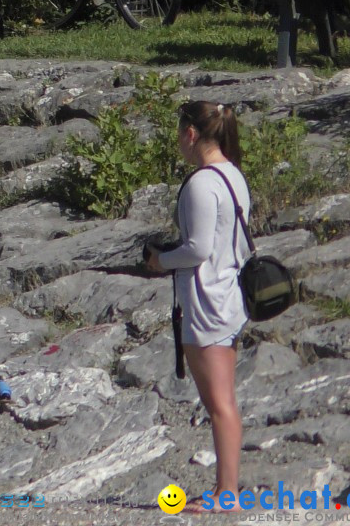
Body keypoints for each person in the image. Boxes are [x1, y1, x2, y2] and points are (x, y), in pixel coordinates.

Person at [147, 101, 249, 513]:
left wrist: (160, 261)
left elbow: (198, 249)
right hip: (231, 295)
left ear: (191, 133)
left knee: (220, 404)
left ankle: (226, 495)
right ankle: (227, 490)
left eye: (178, 133)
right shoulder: (234, 176)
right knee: (224, 401)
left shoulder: (201, 184)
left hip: (209, 301)